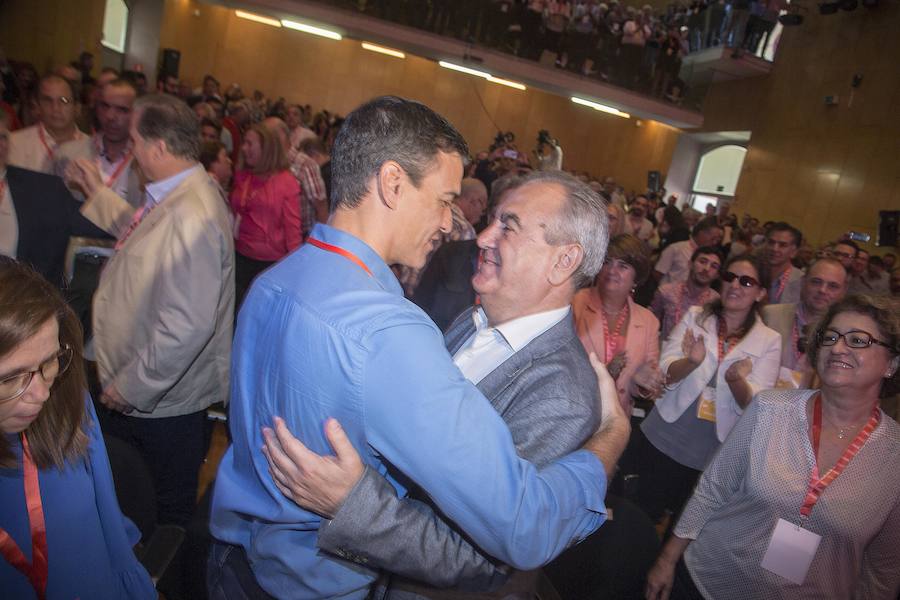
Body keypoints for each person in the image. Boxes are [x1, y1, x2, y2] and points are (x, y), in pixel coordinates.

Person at [208, 96, 629, 599]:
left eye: (507, 226)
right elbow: (525, 523)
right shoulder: (391, 332)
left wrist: (357, 503)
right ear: (391, 184)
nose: (460, 226)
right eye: (446, 199)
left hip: (236, 559)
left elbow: (489, 555)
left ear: (565, 262)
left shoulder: (276, 279)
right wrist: (608, 443)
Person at [646, 294, 900, 600]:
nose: (838, 347)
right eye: (830, 336)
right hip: (707, 582)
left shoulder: (894, 456)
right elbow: (713, 488)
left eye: (858, 340)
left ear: (892, 364)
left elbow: (884, 567)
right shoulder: (770, 409)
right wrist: (667, 558)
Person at [64, 94, 235, 528]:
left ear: (159, 148)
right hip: (142, 389)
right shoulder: (176, 196)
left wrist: (131, 387)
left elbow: (187, 326)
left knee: (159, 510)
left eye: (137, 141)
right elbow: (142, 237)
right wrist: (98, 195)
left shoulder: (192, 213)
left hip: (155, 404)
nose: (132, 151)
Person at [0, 258, 155, 599]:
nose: (41, 393)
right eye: (11, 378)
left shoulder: (67, 405)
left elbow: (110, 527)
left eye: (49, 362)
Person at [635, 254, 781, 523]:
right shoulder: (696, 316)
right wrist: (691, 362)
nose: (735, 286)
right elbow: (666, 370)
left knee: (682, 525)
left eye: (746, 282)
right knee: (640, 514)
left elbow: (757, 405)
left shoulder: (770, 340)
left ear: (760, 293)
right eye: (729, 277)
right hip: (665, 431)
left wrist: (737, 380)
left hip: (712, 450)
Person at [0, 110, 108, 287]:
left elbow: (101, 225)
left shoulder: (43, 190)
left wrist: (137, 220)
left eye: (2, 137)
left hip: (28, 304)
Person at [573, 234, 665, 416]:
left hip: (615, 420)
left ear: (636, 279)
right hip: (574, 410)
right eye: (607, 262)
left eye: (622, 266)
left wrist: (642, 384)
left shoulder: (648, 321)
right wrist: (605, 373)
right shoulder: (575, 303)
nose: (611, 271)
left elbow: (647, 384)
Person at [230, 123, 301, 308]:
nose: (244, 148)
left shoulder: (286, 181)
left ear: (266, 147)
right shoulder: (243, 176)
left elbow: (293, 231)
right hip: (239, 257)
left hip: (269, 266)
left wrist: (296, 273)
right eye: (244, 143)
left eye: (249, 143)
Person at [761, 257, 848, 389]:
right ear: (802, 282)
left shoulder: (846, 335)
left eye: (833, 286)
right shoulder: (770, 316)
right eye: (816, 282)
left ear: (843, 292)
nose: (823, 290)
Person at [261, 117, 326, 240]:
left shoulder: (304, 164)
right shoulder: (266, 163)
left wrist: (320, 244)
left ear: (281, 136)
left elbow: (321, 206)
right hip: (274, 237)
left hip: (302, 236)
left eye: (265, 137)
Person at [8, 74, 86, 174]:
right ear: (38, 107)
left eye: (63, 101)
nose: (56, 108)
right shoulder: (14, 144)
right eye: (48, 101)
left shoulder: (93, 148)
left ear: (77, 108)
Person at [651, 246, 722, 342]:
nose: (706, 268)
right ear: (690, 264)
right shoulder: (666, 292)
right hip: (666, 353)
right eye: (702, 262)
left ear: (717, 275)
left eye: (714, 266)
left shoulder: (717, 301)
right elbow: (650, 325)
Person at [654, 217, 724, 285]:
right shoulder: (676, 249)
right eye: (713, 238)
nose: (714, 243)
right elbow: (658, 274)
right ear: (701, 232)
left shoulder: (710, 258)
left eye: (717, 240)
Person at [763, 221, 804, 304]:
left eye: (782, 245)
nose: (774, 249)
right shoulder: (753, 272)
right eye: (771, 242)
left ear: (794, 252)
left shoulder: (802, 282)